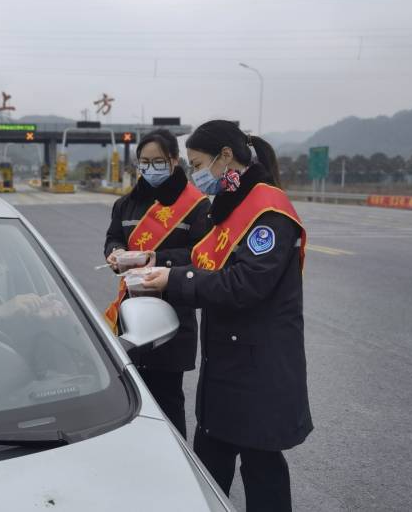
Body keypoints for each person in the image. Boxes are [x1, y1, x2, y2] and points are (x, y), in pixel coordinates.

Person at [142, 120, 312, 511]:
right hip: (228, 365)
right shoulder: (234, 204)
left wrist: (173, 279)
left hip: (258, 370)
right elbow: (205, 256)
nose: (196, 175)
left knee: (261, 469)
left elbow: (243, 285)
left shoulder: (269, 212)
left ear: (226, 157)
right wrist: (157, 260)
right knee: (210, 466)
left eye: (199, 165)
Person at [104, 129, 210, 437]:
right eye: (144, 162)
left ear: (175, 161)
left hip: (172, 317)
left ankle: (176, 464)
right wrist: (116, 254)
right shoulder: (125, 205)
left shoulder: (197, 206)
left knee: (167, 399)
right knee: (131, 400)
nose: (150, 168)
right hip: (130, 313)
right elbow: (113, 238)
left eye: (158, 161)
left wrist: (158, 257)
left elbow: (202, 254)